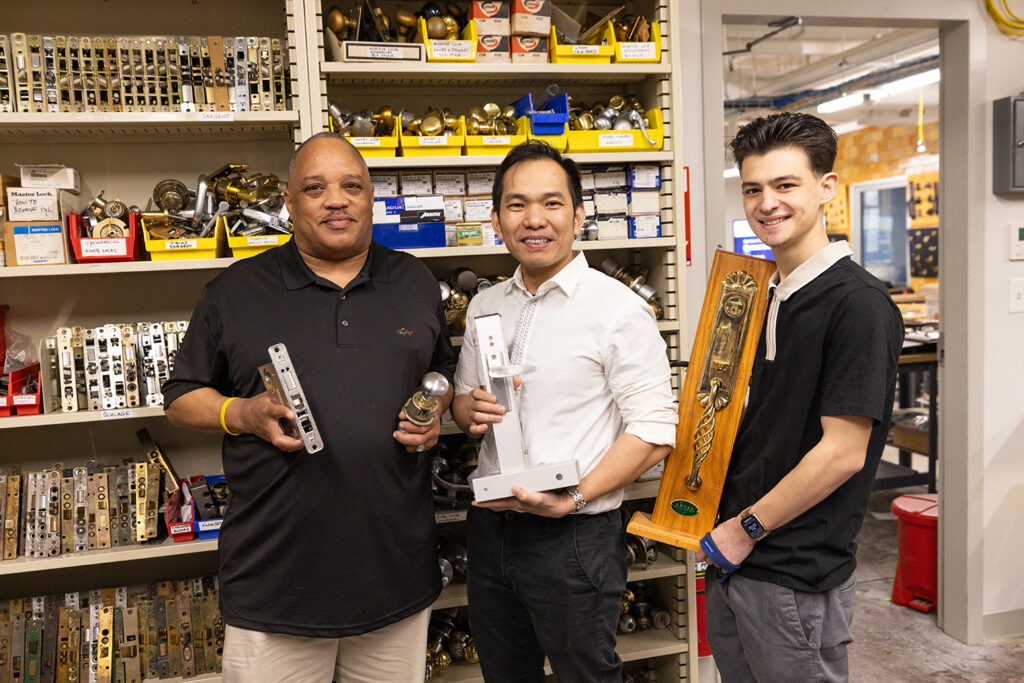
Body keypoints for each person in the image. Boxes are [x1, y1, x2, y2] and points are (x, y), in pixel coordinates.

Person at [162, 132, 453, 683]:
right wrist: (242, 414)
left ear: (371, 198)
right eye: (315, 188)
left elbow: (443, 376)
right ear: (289, 205)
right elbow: (180, 400)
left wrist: (439, 411)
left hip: (395, 574)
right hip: (277, 584)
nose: (336, 199)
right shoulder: (234, 291)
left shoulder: (414, 281)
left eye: (352, 186)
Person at [451, 142, 678, 682]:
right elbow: (461, 403)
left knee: (586, 675)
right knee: (505, 673)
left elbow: (654, 430)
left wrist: (574, 497)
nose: (534, 219)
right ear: (496, 219)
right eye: (516, 204)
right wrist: (469, 410)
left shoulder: (618, 309)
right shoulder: (486, 305)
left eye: (552, 204)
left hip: (575, 535)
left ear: (579, 215)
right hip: (491, 525)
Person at [700, 112, 904, 682]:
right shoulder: (766, 294)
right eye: (753, 188)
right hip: (735, 563)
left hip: (793, 575)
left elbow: (842, 452)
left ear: (826, 188)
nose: (768, 203)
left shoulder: (858, 305)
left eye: (785, 185)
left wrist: (743, 531)